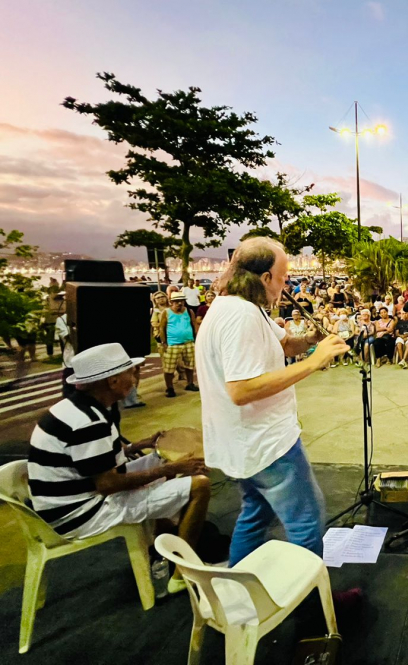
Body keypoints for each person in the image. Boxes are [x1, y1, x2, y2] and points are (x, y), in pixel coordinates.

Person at [194, 237, 350, 568]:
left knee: (255, 513)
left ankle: (244, 592)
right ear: (265, 278)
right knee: (307, 522)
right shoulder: (241, 316)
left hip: (245, 443)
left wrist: (310, 342)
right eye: (282, 277)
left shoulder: (239, 308)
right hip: (265, 444)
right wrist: (313, 362)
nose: (285, 285)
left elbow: (284, 346)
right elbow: (241, 389)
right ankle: (312, 610)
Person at [28, 343, 210, 593]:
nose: (135, 378)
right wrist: (166, 471)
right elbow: (108, 484)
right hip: (80, 512)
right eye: (131, 373)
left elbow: (90, 460)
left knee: (162, 459)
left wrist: (139, 445)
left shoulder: (74, 408)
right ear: (113, 381)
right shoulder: (89, 422)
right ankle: (182, 575)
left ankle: (163, 549)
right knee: (199, 485)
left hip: (67, 501)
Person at [160, 291, 199, 397]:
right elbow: (162, 328)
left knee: (190, 365)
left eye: (181, 301)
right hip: (173, 344)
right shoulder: (166, 312)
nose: (179, 303)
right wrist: (164, 342)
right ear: (171, 302)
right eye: (176, 301)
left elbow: (193, 324)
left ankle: (190, 383)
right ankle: (169, 388)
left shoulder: (189, 311)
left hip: (188, 342)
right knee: (169, 367)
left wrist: (196, 338)